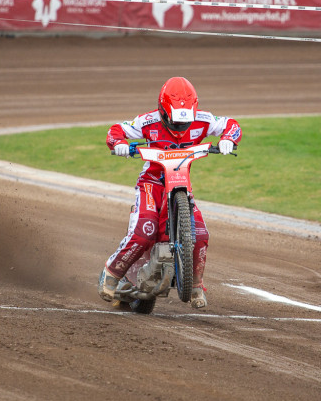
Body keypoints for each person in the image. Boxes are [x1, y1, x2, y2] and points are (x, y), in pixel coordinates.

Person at [99, 77, 243, 310]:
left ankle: (195, 286)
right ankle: (111, 273)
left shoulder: (204, 120)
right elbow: (116, 130)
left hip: (181, 185)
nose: (179, 127)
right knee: (144, 231)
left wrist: (228, 138)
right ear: (162, 110)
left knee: (201, 234)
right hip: (151, 184)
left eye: (184, 122)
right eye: (174, 121)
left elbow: (232, 125)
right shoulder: (147, 122)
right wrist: (118, 143)